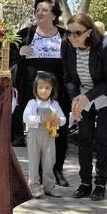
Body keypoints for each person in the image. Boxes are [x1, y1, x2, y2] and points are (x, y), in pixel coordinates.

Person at [9, 0, 71, 187]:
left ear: (54, 14)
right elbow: (8, 55)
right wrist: (19, 52)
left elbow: (74, 59)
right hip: (32, 89)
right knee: (36, 129)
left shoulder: (65, 35)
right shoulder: (25, 33)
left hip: (58, 89)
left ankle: (56, 169)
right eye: (37, 9)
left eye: (44, 10)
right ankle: (37, 172)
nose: (39, 13)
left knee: (58, 129)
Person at [61, 12, 107, 201]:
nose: (72, 37)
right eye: (68, 33)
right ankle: (85, 182)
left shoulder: (105, 45)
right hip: (82, 94)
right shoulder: (66, 45)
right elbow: (68, 78)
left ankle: (100, 183)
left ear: (89, 32)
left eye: (77, 33)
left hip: (104, 95)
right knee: (84, 138)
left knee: (102, 138)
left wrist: (87, 97)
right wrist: (76, 98)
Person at [23, 71, 65, 199]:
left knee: (49, 161)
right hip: (34, 134)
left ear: (52, 89)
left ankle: (49, 186)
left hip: (49, 136)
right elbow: (26, 118)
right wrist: (41, 118)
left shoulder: (54, 104)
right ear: (35, 89)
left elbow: (63, 118)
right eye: (40, 88)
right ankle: (34, 185)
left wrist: (59, 120)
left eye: (47, 88)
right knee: (34, 161)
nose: (44, 91)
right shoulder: (32, 103)